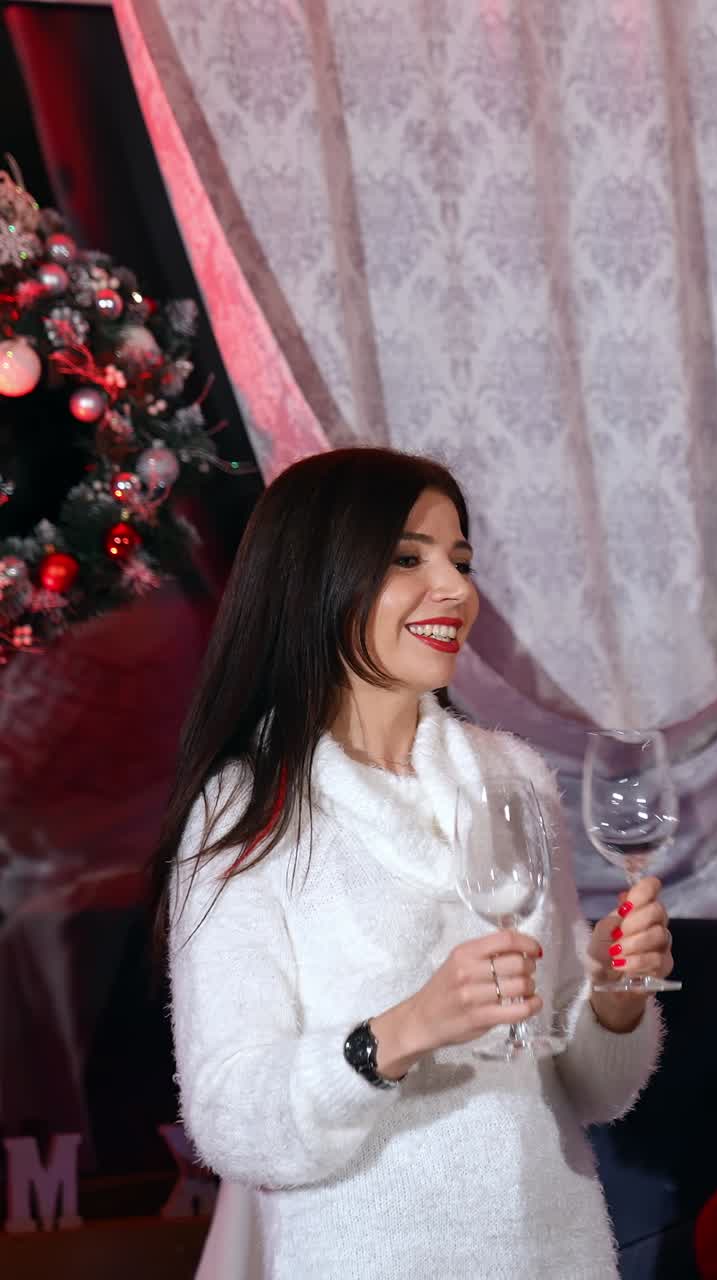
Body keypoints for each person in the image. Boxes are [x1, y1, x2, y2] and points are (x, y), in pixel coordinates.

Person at [150, 447, 671, 1280]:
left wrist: (612, 1000)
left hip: (554, 1251)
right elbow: (229, 1118)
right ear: (317, 577)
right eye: (408, 558)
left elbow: (592, 1090)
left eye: (460, 561)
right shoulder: (249, 810)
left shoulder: (513, 779)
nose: (456, 590)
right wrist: (403, 1031)